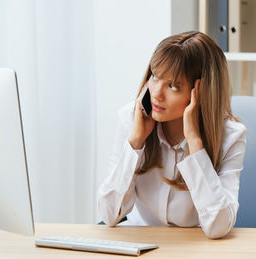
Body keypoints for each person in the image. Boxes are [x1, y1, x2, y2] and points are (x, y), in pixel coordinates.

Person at [97, 31, 247, 239]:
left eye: (173, 86)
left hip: (195, 249)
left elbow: (218, 226)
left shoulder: (231, 136)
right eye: (155, 77)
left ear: (202, 92)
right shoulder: (130, 120)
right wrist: (135, 142)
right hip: (140, 245)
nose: (156, 93)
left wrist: (195, 143)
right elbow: (109, 214)